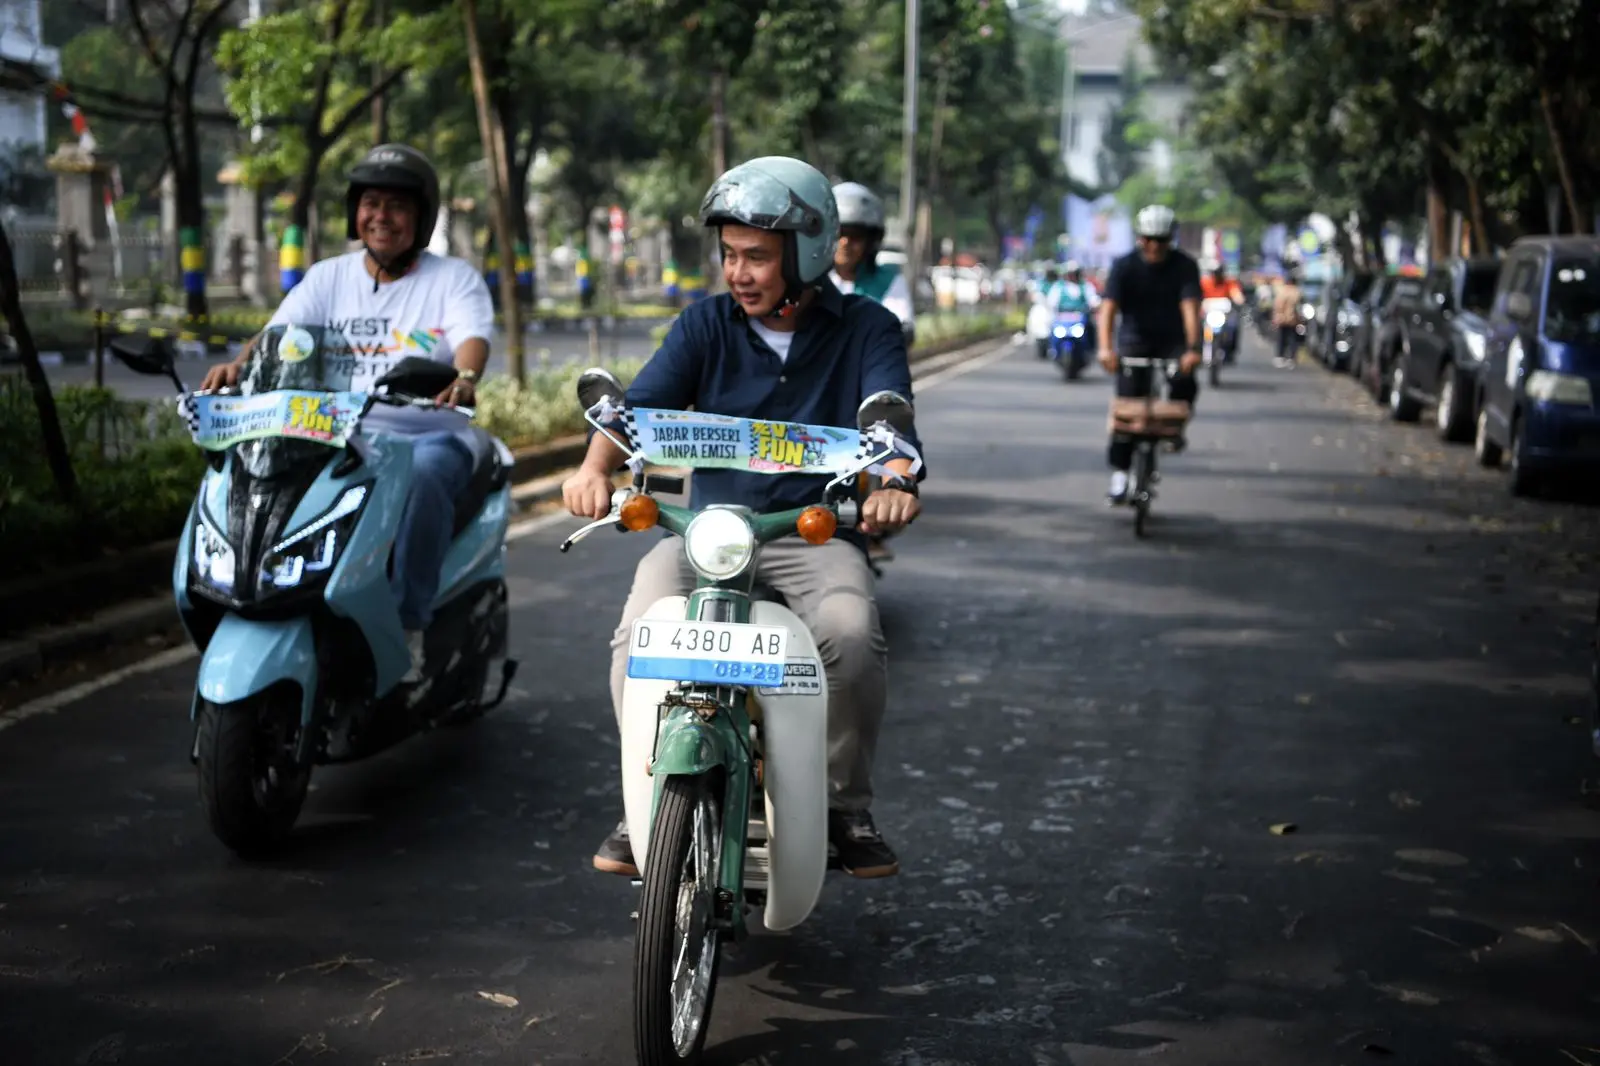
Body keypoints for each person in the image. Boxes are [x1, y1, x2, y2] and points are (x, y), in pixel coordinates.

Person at [562, 156, 924, 880]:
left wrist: (891, 484)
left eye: (756, 256)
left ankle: (844, 805)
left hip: (810, 533)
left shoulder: (869, 329)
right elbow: (639, 411)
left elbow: (891, 428)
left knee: (851, 635)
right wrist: (595, 467)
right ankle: (646, 796)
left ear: (807, 254)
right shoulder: (704, 326)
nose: (739, 272)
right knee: (639, 635)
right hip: (709, 533)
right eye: (729, 255)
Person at [199, 144, 494, 680]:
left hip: (426, 433)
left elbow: (471, 338)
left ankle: (409, 623)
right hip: (334, 432)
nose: (382, 217)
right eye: (371, 203)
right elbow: (278, 335)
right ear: (355, 212)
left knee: (426, 479)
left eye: (398, 206)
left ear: (422, 217)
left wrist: (465, 378)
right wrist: (237, 368)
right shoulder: (327, 277)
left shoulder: (453, 279)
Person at [1095, 204, 1202, 504]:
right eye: (1148, 239)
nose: (1154, 246)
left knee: (1185, 382)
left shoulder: (1184, 266)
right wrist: (1106, 349)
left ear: (1171, 239)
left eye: (1162, 240)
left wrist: (1193, 349)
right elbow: (1108, 310)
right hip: (1134, 342)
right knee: (1125, 411)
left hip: (1173, 342)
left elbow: (1190, 309)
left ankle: (1175, 432)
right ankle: (1119, 473)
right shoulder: (1124, 266)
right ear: (1139, 238)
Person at [831, 181, 914, 565]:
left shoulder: (886, 281)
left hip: (869, 378)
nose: (846, 244)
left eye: (855, 236)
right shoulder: (808, 282)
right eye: (839, 235)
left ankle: (874, 519)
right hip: (823, 377)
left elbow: (902, 323)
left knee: (886, 426)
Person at [1272, 271, 1304, 368]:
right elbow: (1299, 307)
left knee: (1282, 338)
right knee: (1292, 339)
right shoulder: (1297, 292)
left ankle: (1280, 356)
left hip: (1282, 319)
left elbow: (1277, 305)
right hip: (1293, 320)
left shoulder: (1282, 291)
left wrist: (1277, 317)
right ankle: (1291, 358)